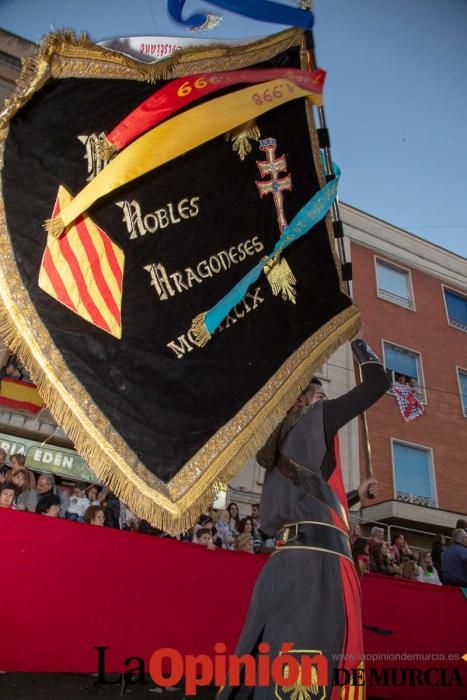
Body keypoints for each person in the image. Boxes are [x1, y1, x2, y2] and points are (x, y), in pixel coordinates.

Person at [218, 338, 389, 699]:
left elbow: (310, 498)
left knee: (271, 655)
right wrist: (359, 343)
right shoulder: (316, 419)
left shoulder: (279, 445)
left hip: (283, 563)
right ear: (305, 399)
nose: (325, 402)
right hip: (318, 566)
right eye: (320, 395)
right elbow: (379, 383)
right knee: (311, 658)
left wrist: (355, 492)